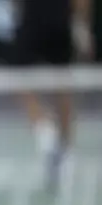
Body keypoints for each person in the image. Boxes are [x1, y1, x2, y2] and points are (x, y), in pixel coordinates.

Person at [10, 0, 95, 193]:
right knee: (61, 88)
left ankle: (49, 138)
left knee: (23, 81)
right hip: (54, 18)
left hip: (42, 18)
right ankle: (60, 149)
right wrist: (82, 27)